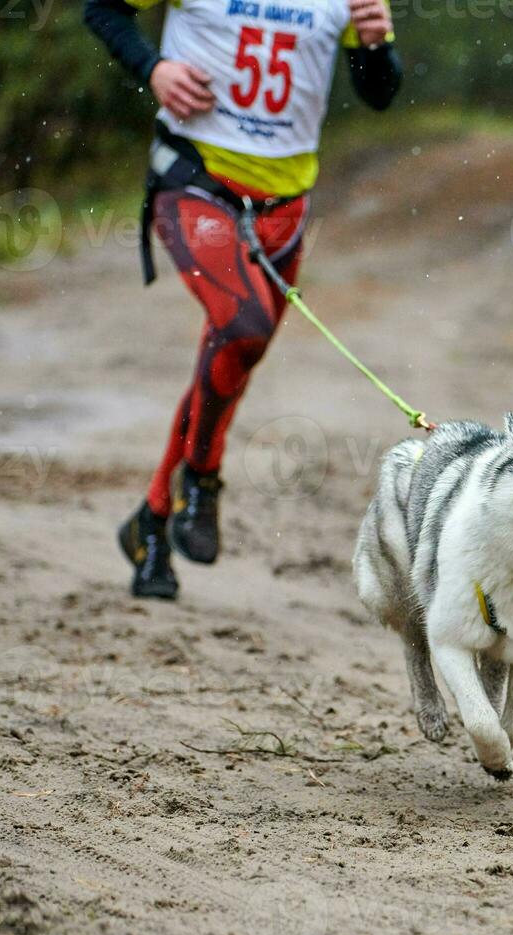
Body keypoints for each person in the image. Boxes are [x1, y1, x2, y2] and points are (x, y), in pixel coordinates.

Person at [84, 0, 403, 600]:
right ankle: (201, 480)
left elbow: (380, 93)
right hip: (195, 181)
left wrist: (377, 45)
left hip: (285, 210)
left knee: (230, 357)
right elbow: (101, 9)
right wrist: (153, 69)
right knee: (244, 327)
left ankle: (152, 520)